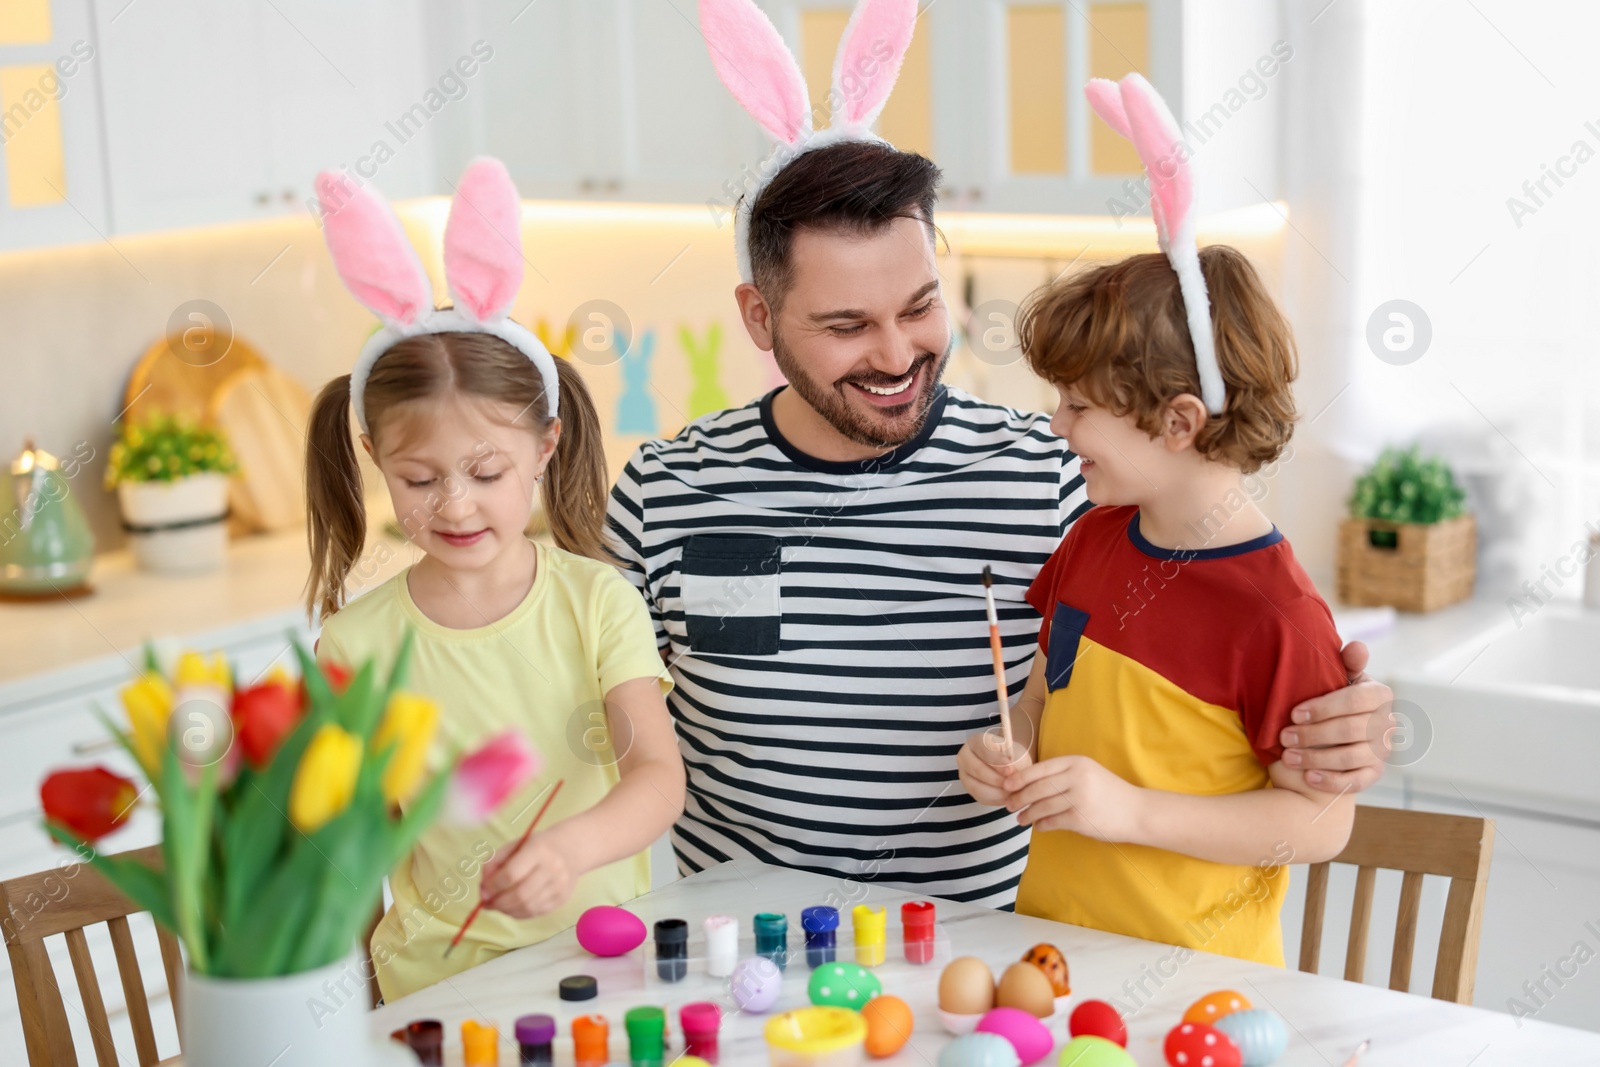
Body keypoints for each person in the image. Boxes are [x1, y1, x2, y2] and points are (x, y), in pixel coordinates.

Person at [607, 1, 1391, 908]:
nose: (899, 356)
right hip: (754, 967)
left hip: (997, 963)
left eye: (918, 306)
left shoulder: (1066, 480)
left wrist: (1340, 719)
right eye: (847, 325)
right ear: (759, 317)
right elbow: (574, 712)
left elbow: (1233, 618)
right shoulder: (664, 493)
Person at [305, 160, 684, 1000]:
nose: (454, 504)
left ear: (545, 448)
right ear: (375, 458)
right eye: (418, 478)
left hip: (603, 968)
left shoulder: (597, 601)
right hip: (436, 986)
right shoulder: (354, 641)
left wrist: (570, 849)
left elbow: (658, 777)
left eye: (485, 471)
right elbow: (350, 836)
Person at [957, 244, 1354, 964]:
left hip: (1196, 986)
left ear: (1178, 422)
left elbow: (1320, 822)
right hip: (1053, 957)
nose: (1056, 427)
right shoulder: (1089, 541)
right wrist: (1007, 742)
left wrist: (1130, 811)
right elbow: (1042, 701)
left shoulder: (1278, 615)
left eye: (1077, 404)